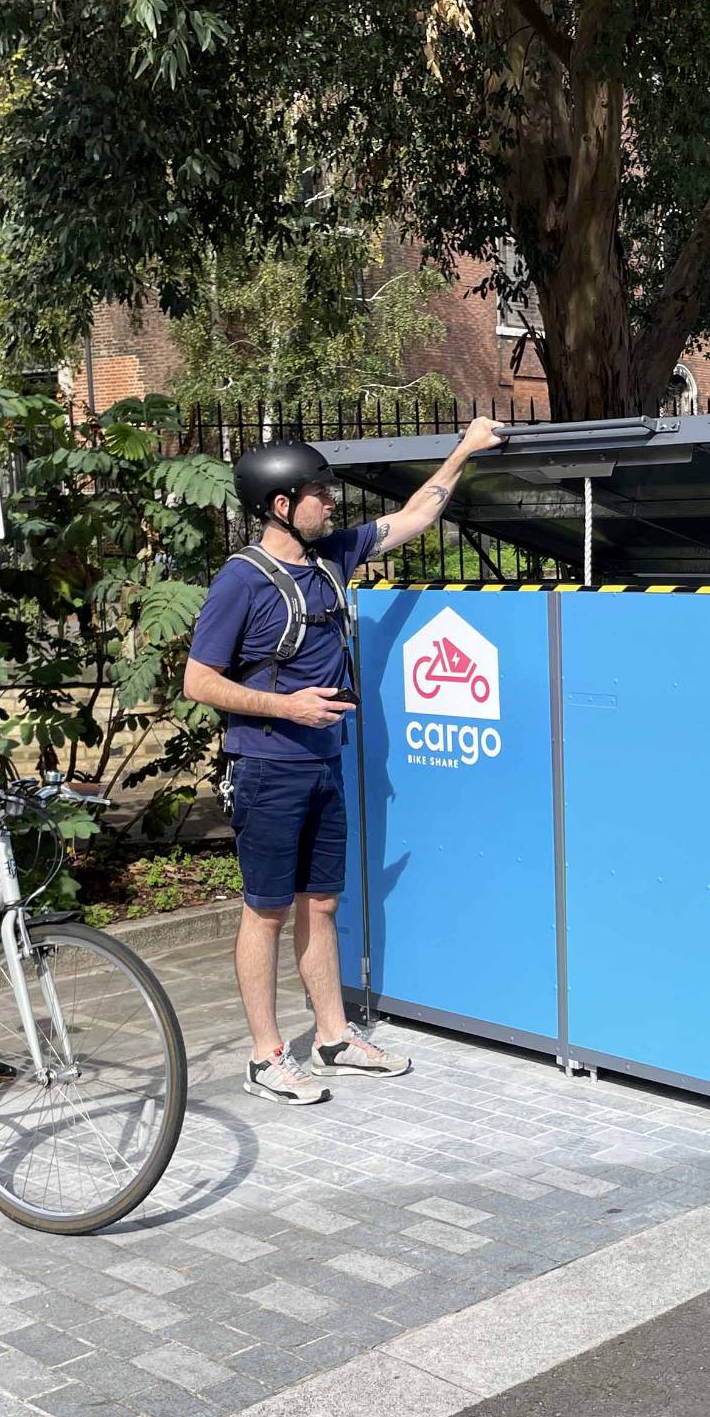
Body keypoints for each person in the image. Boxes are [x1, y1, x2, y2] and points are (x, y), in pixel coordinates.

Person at [182, 417, 504, 1104]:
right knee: (265, 910)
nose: (332, 503)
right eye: (319, 493)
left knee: (321, 902)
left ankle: (331, 1036)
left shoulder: (331, 556)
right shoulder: (241, 581)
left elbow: (415, 517)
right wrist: (287, 707)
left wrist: (465, 450)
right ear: (281, 505)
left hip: (325, 763)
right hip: (267, 767)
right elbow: (198, 681)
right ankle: (265, 1055)